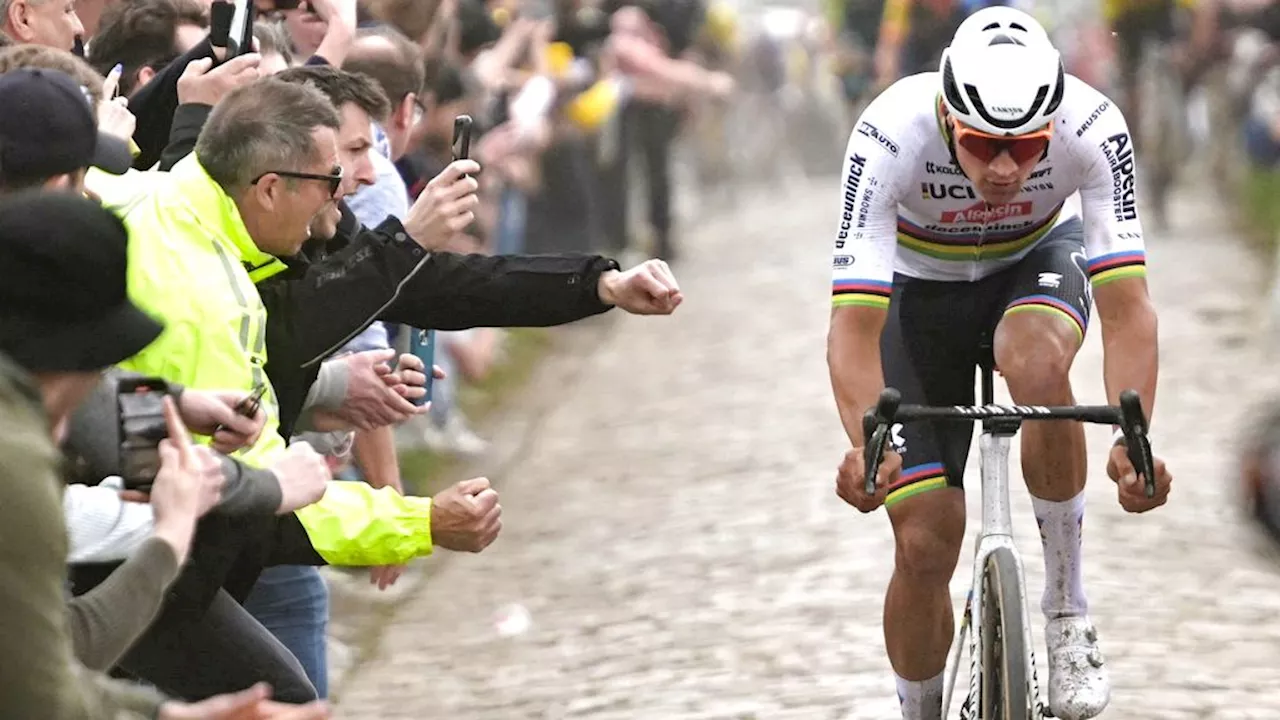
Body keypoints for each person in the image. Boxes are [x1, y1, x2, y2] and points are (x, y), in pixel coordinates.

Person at [826, 8, 1173, 720]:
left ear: (1054, 123)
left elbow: (1128, 308)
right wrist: (872, 443)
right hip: (918, 297)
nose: (1008, 169)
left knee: (1038, 361)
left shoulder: (1092, 125)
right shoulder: (890, 132)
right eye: (984, 146)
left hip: (1032, 267)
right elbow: (853, 328)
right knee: (925, 542)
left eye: (1028, 148)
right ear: (950, 119)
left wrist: (1131, 442)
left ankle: (1068, 613)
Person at [0, 189, 328, 720]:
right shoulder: (14, 462)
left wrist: (169, 715)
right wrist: (170, 534)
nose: (98, 393)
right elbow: (56, 667)